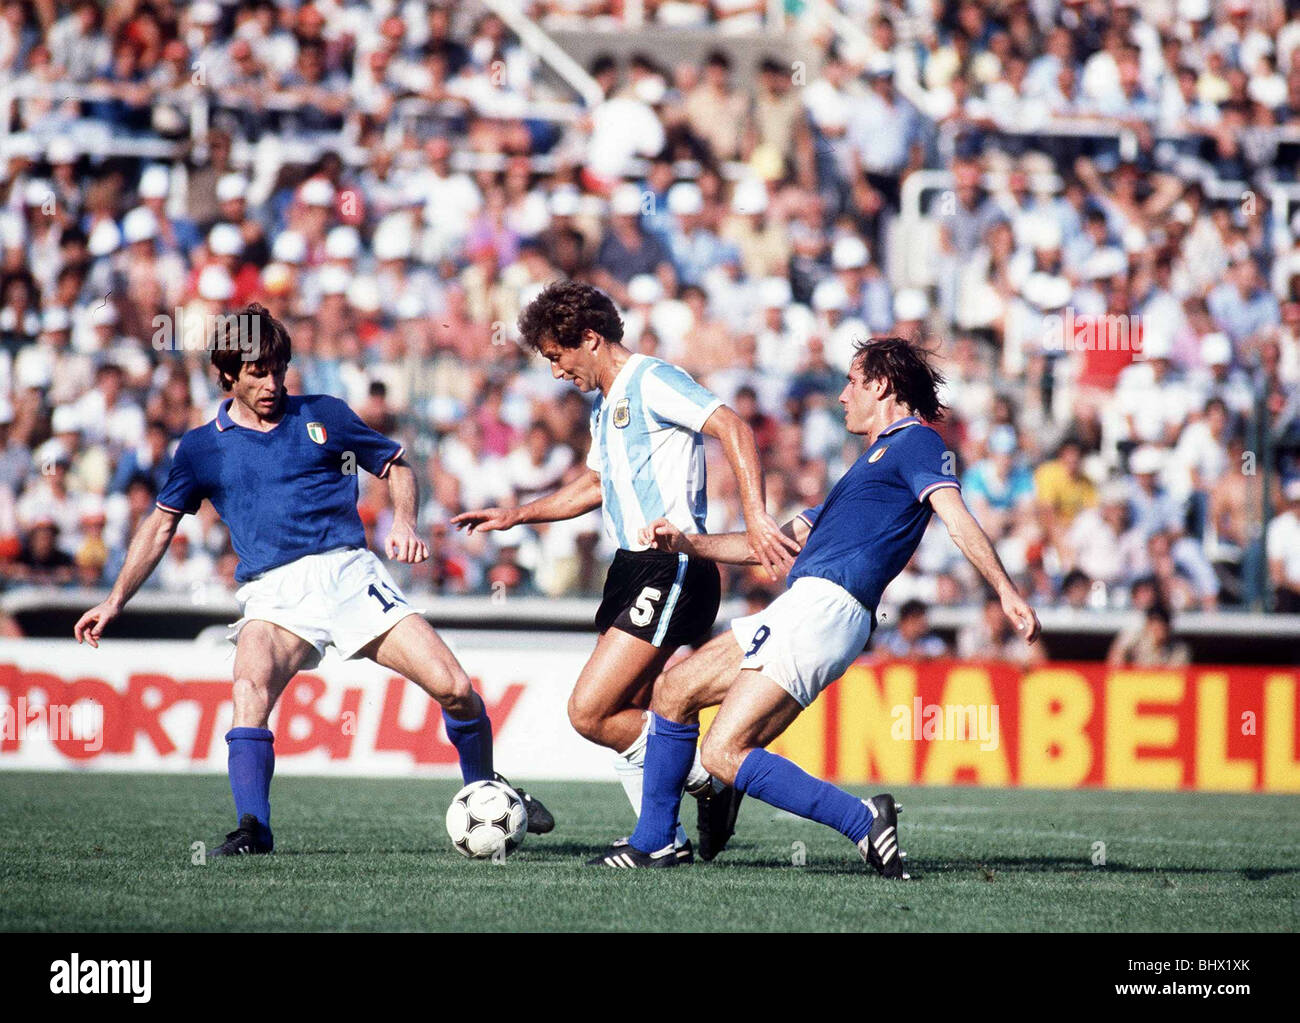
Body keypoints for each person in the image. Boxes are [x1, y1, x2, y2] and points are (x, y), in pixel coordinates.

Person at [74, 304, 551, 856]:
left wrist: (402, 520)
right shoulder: (203, 447)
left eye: (278, 369)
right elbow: (160, 524)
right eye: (257, 372)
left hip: (349, 574)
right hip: (273, 592)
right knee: (248, 688)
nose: (272, 383)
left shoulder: (324, 415)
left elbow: (396, 464)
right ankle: (253, 828)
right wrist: (114, 600)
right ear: (227, 375)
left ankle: (486, 790)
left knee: (455, 688)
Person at [591, 336, 1040, 874]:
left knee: (722, 754)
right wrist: (684, 543)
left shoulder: (916, 442)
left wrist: (1006, 590)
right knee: (673, 690)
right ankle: (656, 839)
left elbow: (957, 516)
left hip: (826, 608)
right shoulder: (864, 470)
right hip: (803, 605)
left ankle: (862, 821)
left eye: (852, 382)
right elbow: (769, 546)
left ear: (881, 385)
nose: (844, 395)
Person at [453, 281, 796, 861]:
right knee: (629, 715)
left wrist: (758, 518)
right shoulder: (605, 405)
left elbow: (733, 426)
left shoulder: (652, 380)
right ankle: (663, 837)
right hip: (633, 569)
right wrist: (518, 514)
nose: (557, 372)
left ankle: (708, 784)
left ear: (589, 338)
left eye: (558, 357)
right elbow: (594, 485)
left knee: (590, 709)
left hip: (672, 565)